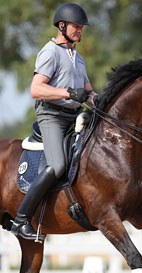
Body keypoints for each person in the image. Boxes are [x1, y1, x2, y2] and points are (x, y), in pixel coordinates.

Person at [11, 3, 97, 241]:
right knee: (58, 164)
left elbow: (88, 91)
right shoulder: (50, 52)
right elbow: (36, 89)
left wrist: (97, 99)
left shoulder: (78, 58)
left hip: (74, 115)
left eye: (82, 27)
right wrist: (68, 92)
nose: (80, 31)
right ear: (62, 26)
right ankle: (21, 219)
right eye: (76, 26)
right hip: (52, 116)